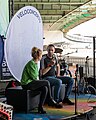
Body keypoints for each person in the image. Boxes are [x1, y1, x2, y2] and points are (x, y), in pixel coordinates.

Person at [20, 47, 63, 114]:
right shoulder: (31, 63)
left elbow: (36, 76)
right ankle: (50, 100)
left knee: (45, 88)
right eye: (41, 55)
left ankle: (40, 107)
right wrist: (40, 81)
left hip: (32, 82)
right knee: (46, 82)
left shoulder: (35, 63)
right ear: (38, 56)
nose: (41, 56)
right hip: (26, 84)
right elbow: (34, 77)